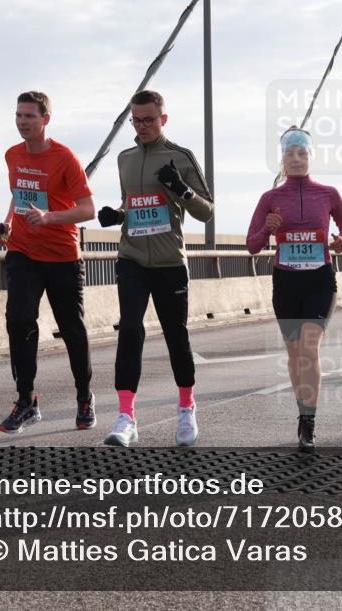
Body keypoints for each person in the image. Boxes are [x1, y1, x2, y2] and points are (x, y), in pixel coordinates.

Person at [97, 90, 214, 447]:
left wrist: (182, 190)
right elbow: (131, 204)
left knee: (176, 335)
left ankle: (186, 408)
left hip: (169, 263)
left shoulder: (181, 157)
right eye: (136, 119)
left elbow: (206, 211)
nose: (142, 126)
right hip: (132, 258)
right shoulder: (125, 158)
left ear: (164, 119)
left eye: (149, 119)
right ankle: (126, 417)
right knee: (130, 330)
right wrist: (117, 215)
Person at [247, 127, 342, 452]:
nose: (297, 158)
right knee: (295, 354)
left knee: (309, 347)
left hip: (320, 279)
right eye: (291, 153)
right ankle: (301, 411)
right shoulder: (270, 198)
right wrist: (267, 229)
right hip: (286, 281)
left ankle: (309, 420)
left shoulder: (328, 193)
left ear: (310, 157)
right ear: (282, 159)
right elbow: (252, 245)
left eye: (302, 153)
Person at [0, 91, 96, 433]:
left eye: (29, 116)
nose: (22, 122)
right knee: (19, 319)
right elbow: (19, 194)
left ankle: (84, 396)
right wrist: (9, 221)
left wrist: (50, 217)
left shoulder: (64, 157)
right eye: (18, 115)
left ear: (45, 120)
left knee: (72, 329)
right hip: (23, 250)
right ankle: (26, 401)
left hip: (62, 255)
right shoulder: (12, 155)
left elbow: (88, 209)